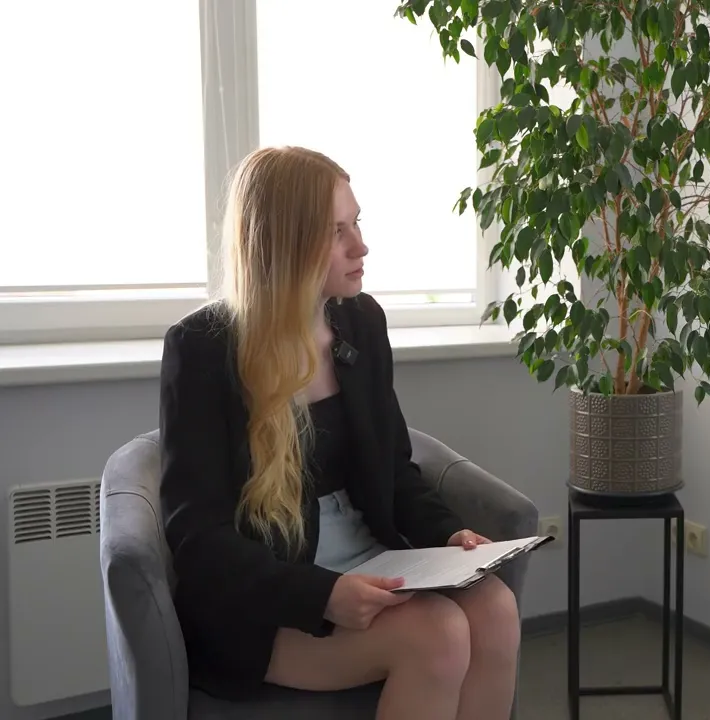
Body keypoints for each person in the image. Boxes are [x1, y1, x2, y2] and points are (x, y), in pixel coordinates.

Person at [159, 146, 520, 720]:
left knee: (496, 607)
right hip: (268, 601)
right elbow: (197, 537)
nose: (361, 246)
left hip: (371, 560)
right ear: (285, 243)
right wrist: (321, 595)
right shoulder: (202, 348)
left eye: (357, 223)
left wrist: (449, 536)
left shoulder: (362, 321)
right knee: (439, 634)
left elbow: (395, 469)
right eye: (337, 231)